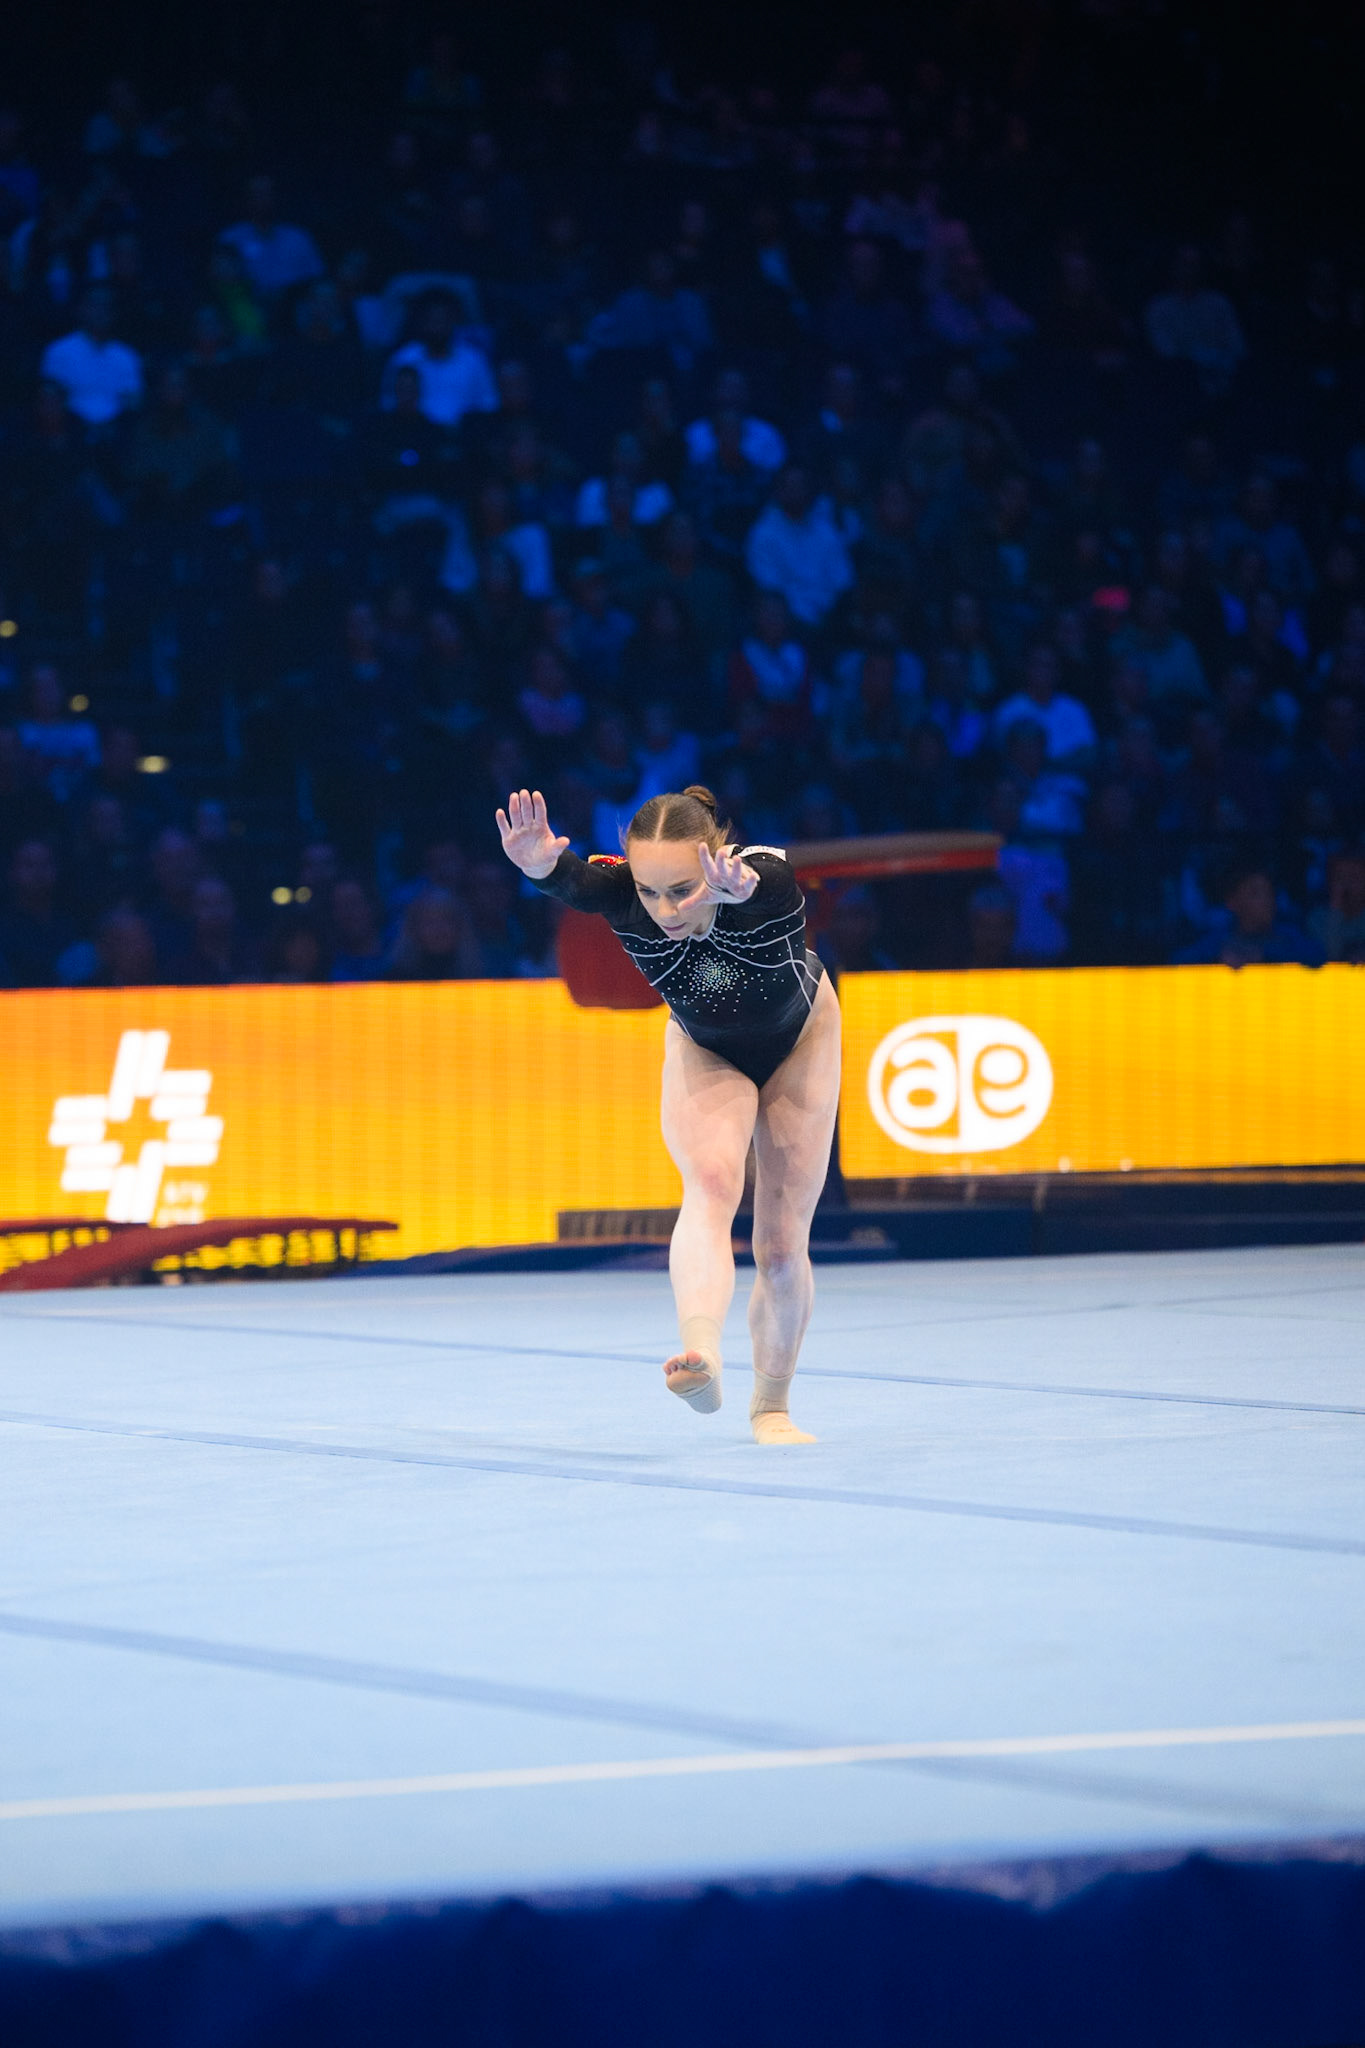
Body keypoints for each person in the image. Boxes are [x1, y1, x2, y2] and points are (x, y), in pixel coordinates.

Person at [497, 784, 839, 1446]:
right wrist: (538, 863)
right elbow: (571, 882)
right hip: (703, 1046)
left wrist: (734, 890)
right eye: (650, 892)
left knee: (777, 1241)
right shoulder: (626, 893)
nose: (663, 910)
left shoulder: (754, 880)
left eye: (681, 889)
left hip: (801, 1042)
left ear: (714, 858)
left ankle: (771, 1408)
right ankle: (701, 1355)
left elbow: (773, 880)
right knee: (709, 1186)